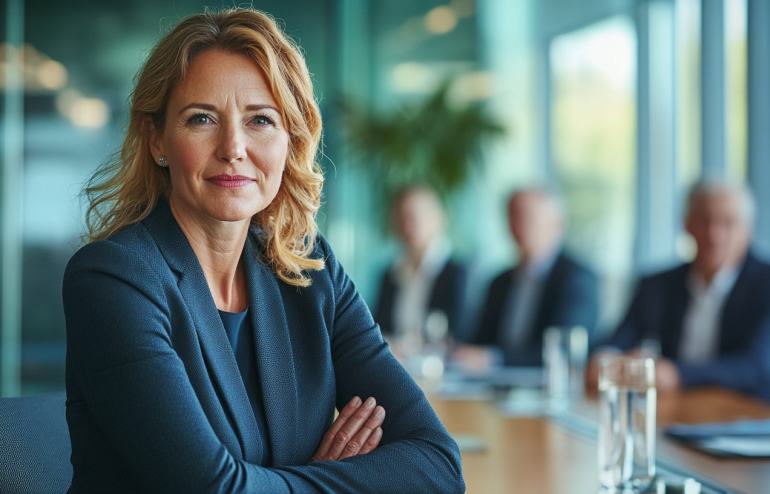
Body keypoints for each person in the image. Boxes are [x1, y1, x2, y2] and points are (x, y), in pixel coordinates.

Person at [62, 9, 464, 494]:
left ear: (289, 143)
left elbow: (438, 464)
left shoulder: (309, 269)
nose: (233, 147)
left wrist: (276, 484)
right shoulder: (113, 280)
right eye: (202, 118)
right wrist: (329, 477)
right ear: (157, 141)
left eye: (260, 120)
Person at [589, 180, 770, 402]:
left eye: (728, 222)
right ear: (686, 224)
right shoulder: (657, 285)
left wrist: (675, 373)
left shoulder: (764, 285)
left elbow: (756, 366)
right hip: (673, 412)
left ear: (748, 230)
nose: (714, 234)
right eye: (704, 220)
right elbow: (617, 340)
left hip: (745, 416)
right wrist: (607, 359)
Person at [458, 187, 599, 368]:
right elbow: (478, 343)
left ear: (556, 223)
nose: (517, 225)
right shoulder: (499, 282)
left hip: (547, 387)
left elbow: (562, 351)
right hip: (490, 386)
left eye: (526, 217)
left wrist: (494, 359)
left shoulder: (577, 279)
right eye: (512, 216)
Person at [373, 186, 467, 356]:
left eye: (413, 217)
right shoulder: (391, 275)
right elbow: (377, 329)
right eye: (401, 218)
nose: (407, 226)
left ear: (437, 218)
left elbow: (455, 337)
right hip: (394, 366)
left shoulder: (457, 273)